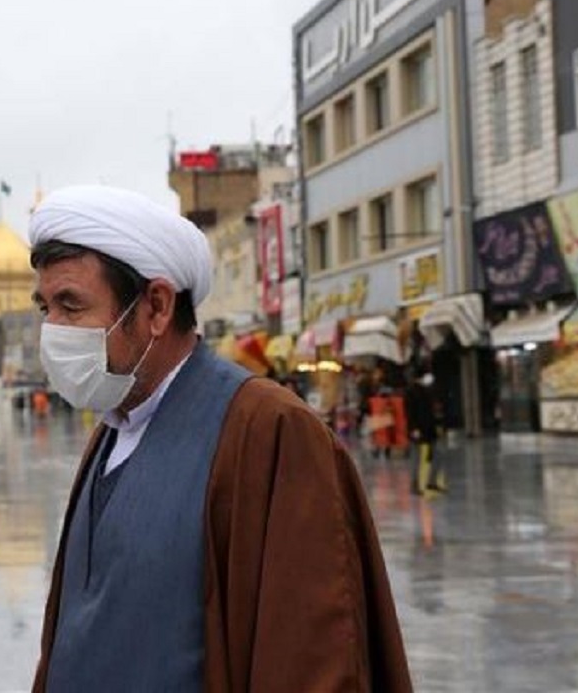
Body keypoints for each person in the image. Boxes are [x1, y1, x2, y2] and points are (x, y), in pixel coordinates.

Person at [27, 185, 409, 691]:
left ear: (157, 307)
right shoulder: (109, 435)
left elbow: (311, 658)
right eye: (46, 308)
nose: (53, 329)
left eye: (71, 306)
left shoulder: (268, 431)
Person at [405, 368, 445, 495]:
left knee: (437, 454)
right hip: (418, 429)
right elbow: (409, 413)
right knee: (416, 458)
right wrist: (413, 428)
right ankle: (414, 485)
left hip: (429, 428)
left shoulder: (428, 390)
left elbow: (431, 410)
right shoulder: (411, 392)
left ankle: (431, 482)